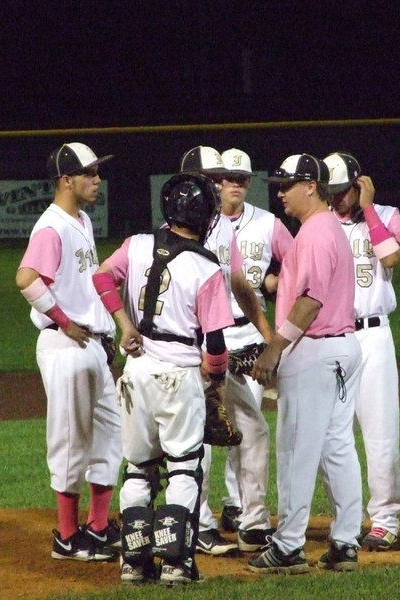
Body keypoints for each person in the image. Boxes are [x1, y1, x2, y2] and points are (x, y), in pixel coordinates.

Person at [93, 173, 234, 584]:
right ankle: (177, 563)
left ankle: (133, 564)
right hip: (179, 375)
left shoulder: (135, 245)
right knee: (184, 469)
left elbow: (102, 278)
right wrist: (216, 382)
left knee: (138, 469)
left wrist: (124, 324)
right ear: (206, 216)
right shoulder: (206, 267)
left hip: (136, 374)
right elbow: (216, 344)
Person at [248, 154, 363, 575]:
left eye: (286, 185)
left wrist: (275, 346)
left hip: (315, 351)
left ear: (312, 186)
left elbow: (311, 300)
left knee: (296, 449)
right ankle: (346, 542)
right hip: (342, 348)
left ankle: (289, 545)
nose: (279, 193)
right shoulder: (327, 228)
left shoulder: (315, 232)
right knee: (337, 448)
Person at [15, 142, 121, 562]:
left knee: (111, 434)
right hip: (66, 344)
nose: (97, 180)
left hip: (90, 344)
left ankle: (96, 527)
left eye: (97, 172)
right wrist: (61, 318)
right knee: (70, 440)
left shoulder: (81, 221)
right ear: (66, 179)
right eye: (89, 173)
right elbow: (26, 279)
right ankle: (65, 535)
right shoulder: (52, 226)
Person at [178, 145, 274, 557]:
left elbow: (240, 284)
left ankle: (253, 523)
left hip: (221, 352)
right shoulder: (164, 235)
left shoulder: (221, 230)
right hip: (184, 354)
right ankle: (196, 525)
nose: (219, 184)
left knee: (252, 429)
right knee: (193, 442)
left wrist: (268, 336)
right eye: (211, 178)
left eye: (220, 178)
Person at [322, 151, 400, 551]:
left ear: (360, 185)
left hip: (373, 335)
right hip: (333, 338)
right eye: (332, 192)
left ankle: (386, 519)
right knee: (332, 435)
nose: (338, 199)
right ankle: (347, 515)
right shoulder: (320, 224)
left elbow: (391, 256)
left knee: (379, 433)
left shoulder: (387, 214)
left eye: (344, 191)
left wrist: (369, 209)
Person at [217, 148, 294, 552]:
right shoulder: (200, 225)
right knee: (219, 426)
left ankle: (239, 505)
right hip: (208, 337)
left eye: (242, 177)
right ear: (216, 181)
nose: (234, 183)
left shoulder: (267, 223)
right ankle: (232, 505)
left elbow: (296, 261)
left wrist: (274, 278)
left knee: (245, 427)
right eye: (228, 176)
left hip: (249, 335)